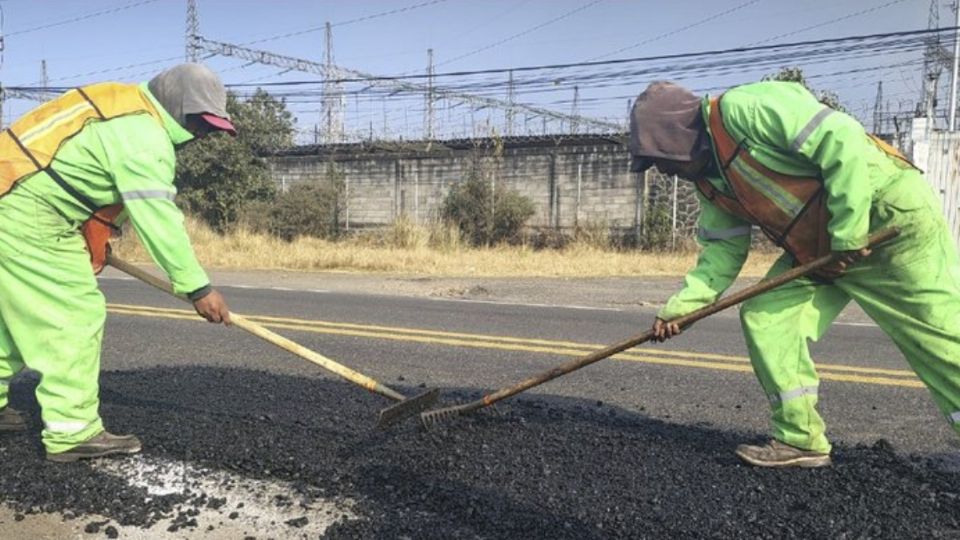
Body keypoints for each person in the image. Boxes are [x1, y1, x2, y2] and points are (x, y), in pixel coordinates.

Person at [628, 80, 960, 468]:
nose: (663, 173)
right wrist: (681, 309)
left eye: (659, 160)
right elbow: (722, 251)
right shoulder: (710, 182)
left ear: (676, 137)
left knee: (941, 337)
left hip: (888, 220)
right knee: (767, 314)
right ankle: (800, 438)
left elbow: (841, 138)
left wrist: (847, 237)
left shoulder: (743, 110)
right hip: (823, 246)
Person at [0, 63, 235, 462]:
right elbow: (157, 218)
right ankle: (72, 431)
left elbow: (78, 176)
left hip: (13, 197)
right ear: (177, 107)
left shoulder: (122, 102)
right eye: (198, 124)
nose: (199, 134)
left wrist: (97, 238)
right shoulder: (145, 137)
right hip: (27, 213)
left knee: (14, 318)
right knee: (73, 315)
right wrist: (197, 287)